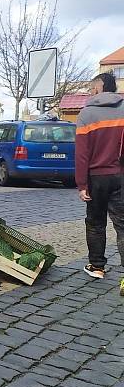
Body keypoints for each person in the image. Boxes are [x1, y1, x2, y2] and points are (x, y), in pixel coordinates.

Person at [75, 72, 124, 281]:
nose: (91, 91)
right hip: (120, 175)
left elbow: (82, 153)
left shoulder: (87, 113)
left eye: (93, 87)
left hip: (96, 178)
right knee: (122, 224)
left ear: (100, 87)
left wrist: (82, 184)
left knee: (95, 223)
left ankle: (97, 267)